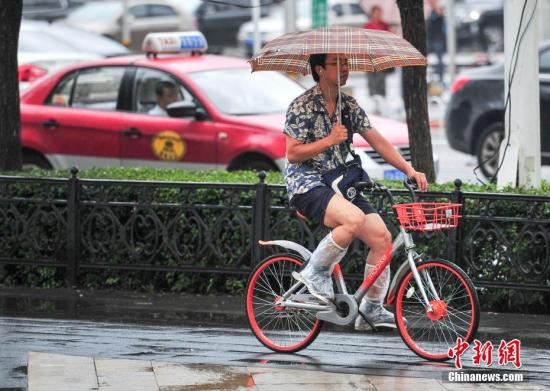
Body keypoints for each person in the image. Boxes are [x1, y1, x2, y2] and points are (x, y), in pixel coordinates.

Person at [284, 53, 428, 330]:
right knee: (353, 220)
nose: (345, 69)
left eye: (347, 63)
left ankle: (371, 308)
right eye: (337, 63)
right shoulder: (301, 106)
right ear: (319, 70)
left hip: (340, 184)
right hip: (307, 183)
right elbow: (292, 154)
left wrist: (408, 169)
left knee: (382, 239)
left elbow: (378, 141)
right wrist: (330, 140)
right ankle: (314, 273)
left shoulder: (348, 104)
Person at [364, 5, 391, 98]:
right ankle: (372, 96)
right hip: (370, 55)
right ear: (372, 14)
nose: (377, 15)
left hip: (381, 55)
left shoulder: (385, 25)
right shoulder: (367, 26)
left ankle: (382, 96)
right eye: (376, 13)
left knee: (381, 77)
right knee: (371, 77)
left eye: (379, 13)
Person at [426, 0, 446, 84]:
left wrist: (435, 5)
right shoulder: (430, 12)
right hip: (430, 39)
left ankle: (440, 78)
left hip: (438, 39)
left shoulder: (439, 9)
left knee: (440, 60)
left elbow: (440, 14)